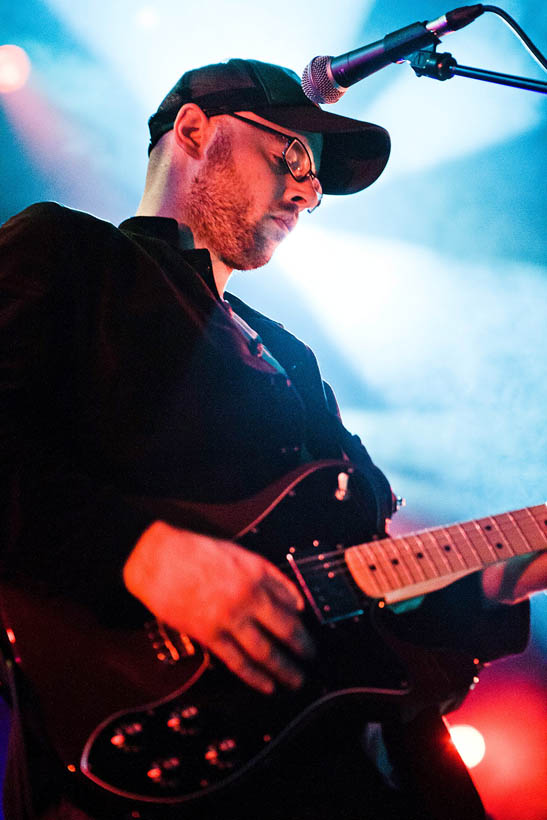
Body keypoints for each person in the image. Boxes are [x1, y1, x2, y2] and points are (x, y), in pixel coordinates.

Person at [0, 58, 545, 820]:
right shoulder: (72, 255)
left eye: (314, 181)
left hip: (378, 770)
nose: (306, 190)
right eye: (290, 155)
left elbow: (344, 585)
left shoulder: (289, 353)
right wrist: (138, 551)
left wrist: (499, 573)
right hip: (157, 765)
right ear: (192, 129)